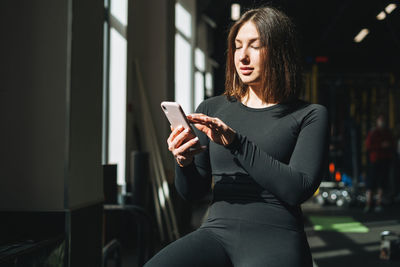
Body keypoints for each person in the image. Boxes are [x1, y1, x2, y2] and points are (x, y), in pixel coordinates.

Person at [145, 6, 328, 267]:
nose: (242, 56)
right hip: (216, 233)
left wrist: (236, 143)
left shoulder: (310, 115)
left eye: (254, 46)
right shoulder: (212, 109)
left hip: (276, 238)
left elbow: (296, 189)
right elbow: (192, 192)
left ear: (278, 52)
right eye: (237, 45)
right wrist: (183, 162)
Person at [364, 114, 395, 212]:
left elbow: (392, 144)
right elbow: (368, 145)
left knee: (382, 182)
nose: (382, 122)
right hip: (375, 160)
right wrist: (381, 145)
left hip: (385, 160)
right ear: (377, 121)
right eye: (380, 120)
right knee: (371, 182)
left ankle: (379, 203)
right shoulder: (374, 132)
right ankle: (368, 203)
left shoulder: (388, 133)